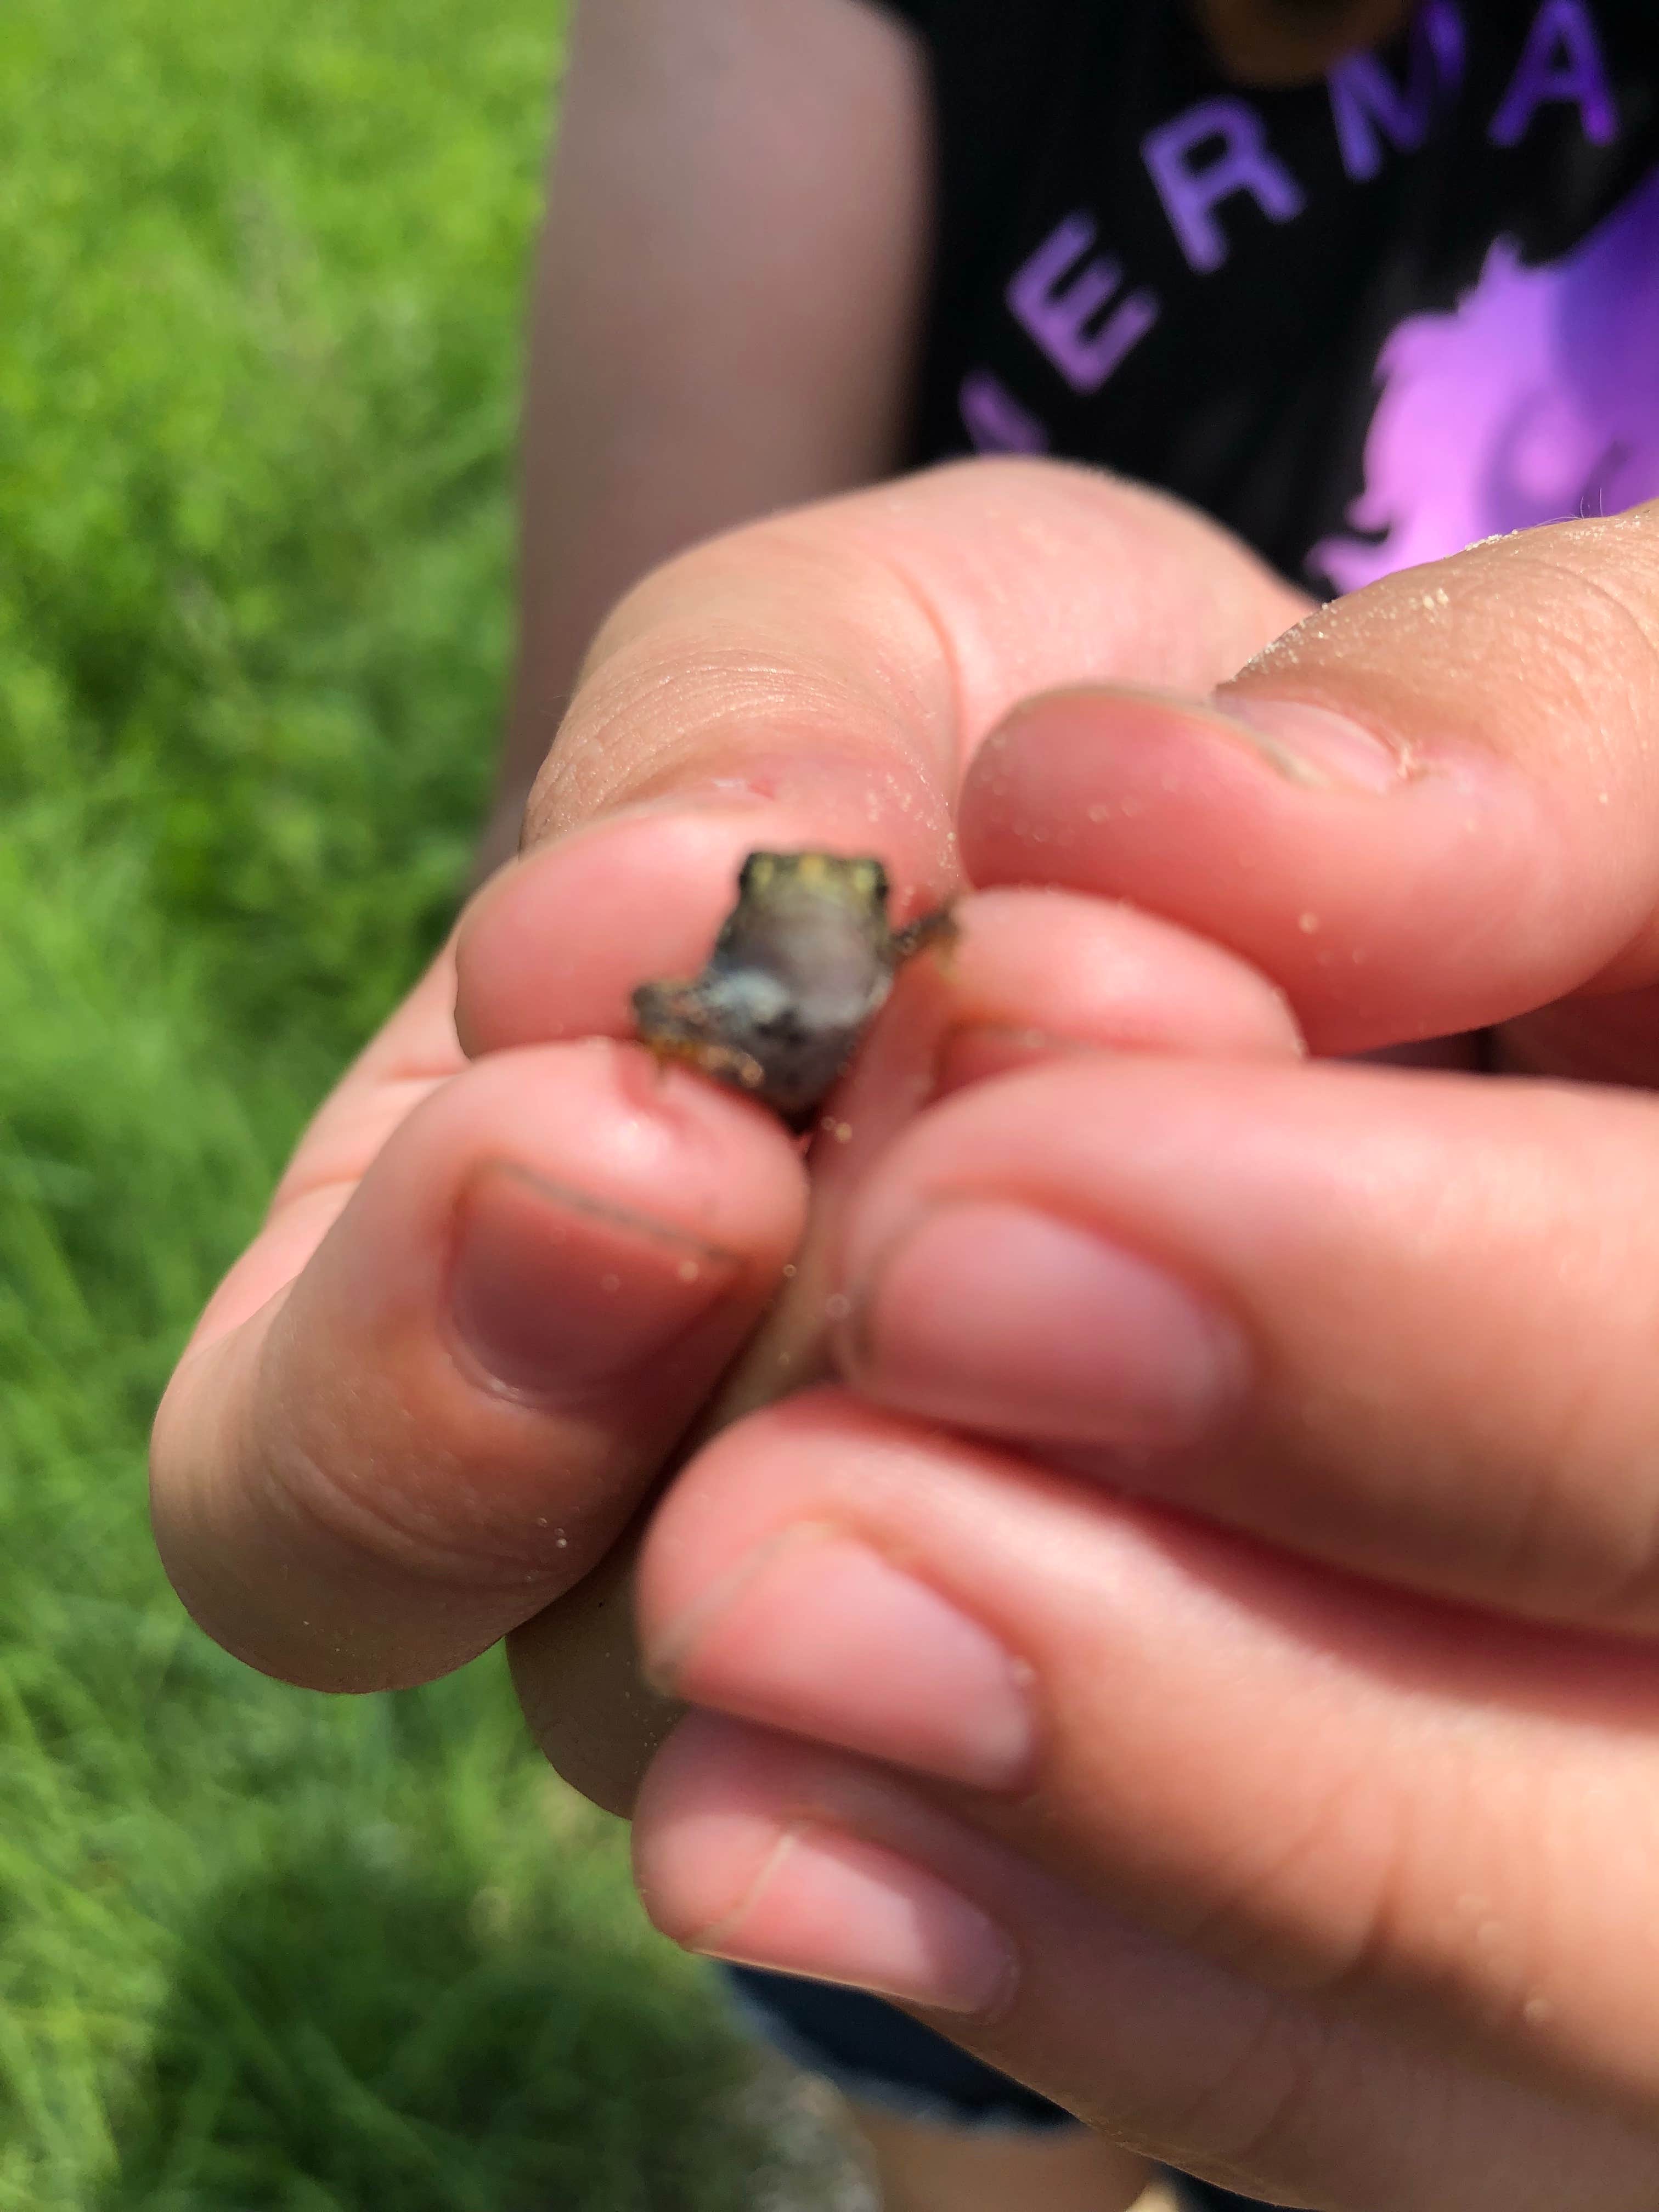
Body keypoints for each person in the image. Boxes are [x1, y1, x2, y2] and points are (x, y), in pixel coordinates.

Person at [151, 2, 1659, 2207]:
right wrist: (710, 818)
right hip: (927, 1521)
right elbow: (625, 885)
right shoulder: (790, 49)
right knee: (973, 2038)